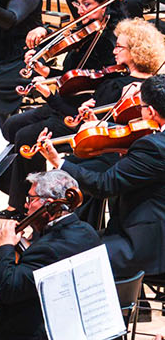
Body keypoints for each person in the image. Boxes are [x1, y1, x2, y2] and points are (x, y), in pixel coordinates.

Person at [3, 4, 159, 216]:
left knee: (59, 168)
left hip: (103, 152)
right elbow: (105, 120)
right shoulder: (129, 81)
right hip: (100, 143)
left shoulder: (125, 87)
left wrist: (50, 96)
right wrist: (93, 117)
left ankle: (51, 222)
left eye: (119, 47)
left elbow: (79, 120)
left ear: (135, 52)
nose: (114, 50)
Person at [36, 73, 165, 279]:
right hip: (153, 228)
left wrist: (57, 161)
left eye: (140, 107)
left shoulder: (153, 147)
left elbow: (104, 185)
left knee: (64, 256)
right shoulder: (155, 142)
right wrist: (103, 130)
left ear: (151, 111)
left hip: (147, 244)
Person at [0, 168, 100, 340]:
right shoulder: (88, 232)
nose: (26, 205)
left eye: (31, 199)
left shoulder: (48, 249)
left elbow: (10, 289)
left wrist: (5, 246)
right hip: (74, 318)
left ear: (48, 203)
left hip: (39, 330)